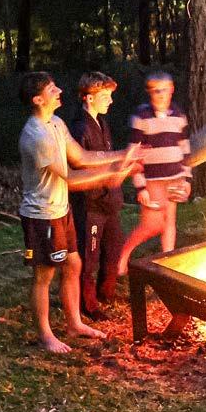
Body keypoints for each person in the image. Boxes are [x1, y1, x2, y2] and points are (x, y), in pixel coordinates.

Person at [18, 72, 141, 354]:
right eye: (52, 89)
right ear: (38, 100)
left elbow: (82, 157)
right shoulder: (36, 135)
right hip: (42, 215)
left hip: (62, 210)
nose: (59, 90)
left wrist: (122, 155)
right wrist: (112, 174)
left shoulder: (56, 123)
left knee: (73, 265)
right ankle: (45, 335)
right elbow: (71, 179)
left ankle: (74, 323)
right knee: (44, 274)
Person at [117, 71, 191, 274]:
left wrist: (186, 177)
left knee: (169, 222)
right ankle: (123, 256)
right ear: (149, 92)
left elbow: (185, 148)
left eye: (164, 90)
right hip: (152, 180)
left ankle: (168, 261)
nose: (160, 95)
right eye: (155, 91)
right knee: (152, 224)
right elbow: (134, 154)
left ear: (171, 90)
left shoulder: (178, 115)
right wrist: (140, 186)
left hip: (175, 177)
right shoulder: (141, 117)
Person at [70, 72, 124, 322]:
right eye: (105, 96)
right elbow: (80, 166)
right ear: (89, 98)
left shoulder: (102, 123)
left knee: (113, 248)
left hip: (109, 201)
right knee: (89, 255)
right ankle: (88, 304)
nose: (110, 101)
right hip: (91, 204)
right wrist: (103, 181)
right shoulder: (80, 128)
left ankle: (107, 292)